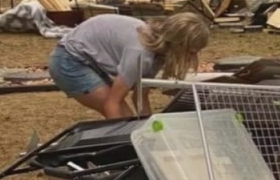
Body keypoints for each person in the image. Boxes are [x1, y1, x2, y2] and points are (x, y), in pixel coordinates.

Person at [48, 13, 210, 120]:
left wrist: (149, 130)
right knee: (125, 119)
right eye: (191, 52)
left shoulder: (159, 54)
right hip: (69, 60)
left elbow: (139, 97)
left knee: (133, 124)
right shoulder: (140, 53)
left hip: (89, 58)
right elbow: (112, 104)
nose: (193, 58)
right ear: (178, 45)